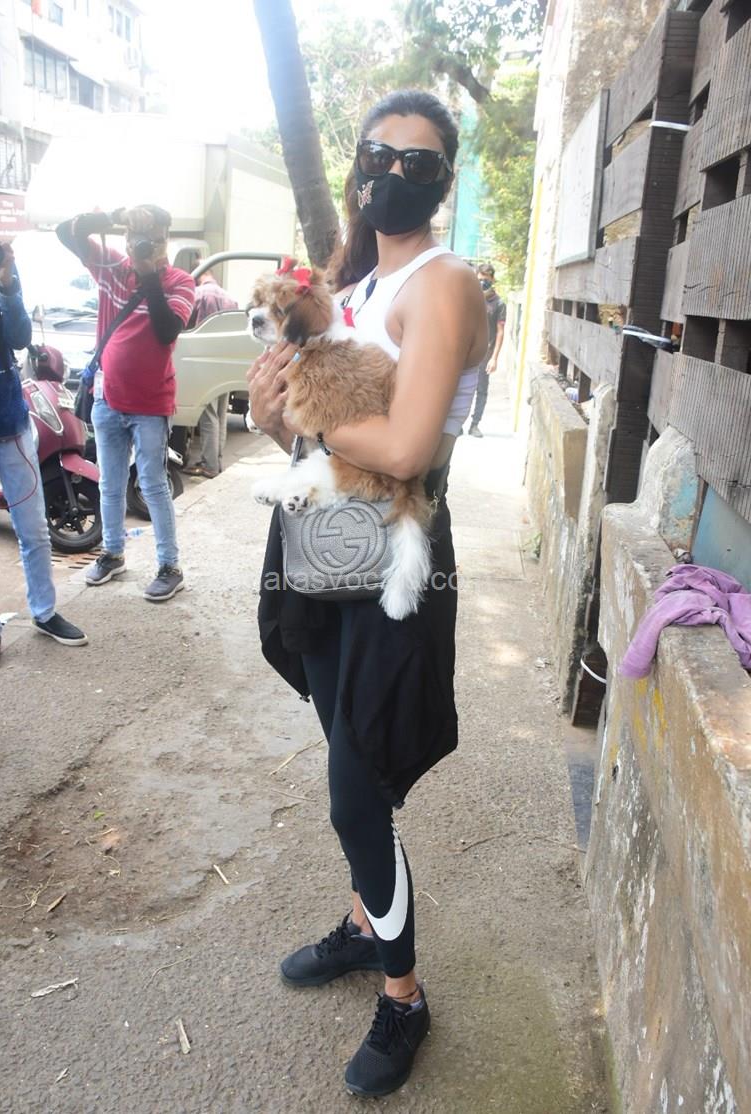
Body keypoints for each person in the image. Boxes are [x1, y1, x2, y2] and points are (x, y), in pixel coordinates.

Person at [248, 91, 488, 1097]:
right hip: (321, 554)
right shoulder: (350, 285)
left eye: (418, 162)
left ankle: (403, 996)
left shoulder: (444, 285)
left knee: (357, 789)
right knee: (345, 755)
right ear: (357, 165)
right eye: (379, 154)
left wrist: (301, 416)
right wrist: (272, 415)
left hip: (394, 559)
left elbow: (404, 446)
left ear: (443, 181)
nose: (393, 172)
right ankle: (363, 918)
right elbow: (302, 431)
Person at [0, 151, 87, 671]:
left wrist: (7, 281)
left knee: (32, 527)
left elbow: (18, 336)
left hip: (7, 415)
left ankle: (45, 612)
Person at [57, 205, 195, 601]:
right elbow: (66, 231)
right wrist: (112, 217)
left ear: (167, 240)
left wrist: (149, 275)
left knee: (153, 485)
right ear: (127, 238)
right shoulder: (113, 268)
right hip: (108, 401)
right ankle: (113, 553)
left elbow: (167, 330)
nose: (147, 245)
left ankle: (170, 566)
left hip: (151, 405)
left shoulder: (181, 282)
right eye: (138, 237)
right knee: (110, 484)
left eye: (155, 238)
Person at [182, 267, 239, 478]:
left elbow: (184, 323)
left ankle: (210, 464)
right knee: (221, 413)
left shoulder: (198, 294)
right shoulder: (229, 297)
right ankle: (217, 460)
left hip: (206, 360)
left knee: (208, 414)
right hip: (227, 361)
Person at [466, 262, 506, 437]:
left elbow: (500, 332)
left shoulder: (498, 304)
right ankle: (457, 424)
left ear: (492, 279)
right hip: (466, 352)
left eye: (486, 280)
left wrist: (494, 358)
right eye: (480, 279)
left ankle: (475, 424)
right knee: (461, 388)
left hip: (484, 354)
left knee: (481, 390)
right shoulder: (470, 298)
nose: (483, 283)